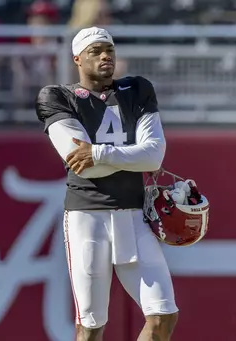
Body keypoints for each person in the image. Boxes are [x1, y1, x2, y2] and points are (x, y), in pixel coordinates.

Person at [35, 27, 179, 341]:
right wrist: (129, 156)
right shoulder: (57, 96)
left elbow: (153, 156)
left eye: (109, 50)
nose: (105, 57)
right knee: (90, 327)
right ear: (77, 58)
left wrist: (99, 152)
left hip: (133, 217)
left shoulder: (137, 90)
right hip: (89, 218)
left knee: (164, 315)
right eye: (96, 51)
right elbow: (83, 168)